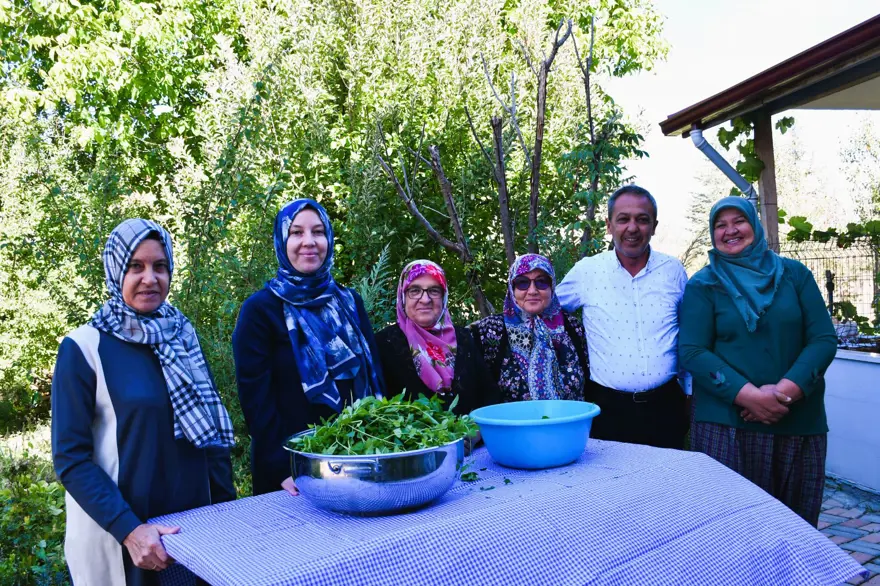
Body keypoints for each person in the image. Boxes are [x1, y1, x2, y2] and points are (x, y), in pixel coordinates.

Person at [51, 219, 236, 586]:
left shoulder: (181, 336)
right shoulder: (85, 347)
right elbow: (70, 458)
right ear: (115, 269)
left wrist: (226, 514)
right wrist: (130, 529)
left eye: (160, 266)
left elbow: (211, 440)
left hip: (194, 534)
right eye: (136, 266)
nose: (150, 278)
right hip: (126, 541)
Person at [679, 196, 837, 526]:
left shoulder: (794, 275)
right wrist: (749, 396)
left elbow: (822, 339)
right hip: (726, 425)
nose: (730, 230)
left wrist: (784, 393)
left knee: (797, 526)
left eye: (739, 221)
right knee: (731, 527)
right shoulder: (704, 285)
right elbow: (692, 351)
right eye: (720, 225)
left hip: (798, 420)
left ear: (755, 225)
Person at [233, 198, 384, 496]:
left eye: (318, 232)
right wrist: (281, 468)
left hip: (357, 456)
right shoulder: (260, 310)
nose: (309, 242)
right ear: (281, 240)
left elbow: (374, 371)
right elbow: (256, 402)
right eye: (297, 233)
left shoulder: (349, 301)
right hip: (292, 472)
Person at [557, 184, 689, 449]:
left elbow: (687, 331)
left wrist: (688, 392)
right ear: (609, 225)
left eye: (642, 219)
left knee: (668, 486)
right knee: (610, 487)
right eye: (623, 219)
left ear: (654, 226)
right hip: (606, 409)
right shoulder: (587, 272)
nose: (632, 228)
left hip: (666, 408)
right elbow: (548, 312)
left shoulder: (673, 270)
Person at [376, 260, 498, 416]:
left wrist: (477, 432)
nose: (425, 299)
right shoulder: (383, 344)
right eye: (414, 290)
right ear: (403, 296)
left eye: (434, 290)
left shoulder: (464, 339)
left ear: (444, 296)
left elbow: (489, 394)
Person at [470, 254, 590, 403]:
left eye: (541, 282)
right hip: (510, 425)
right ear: (512, 289)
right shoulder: (490, 332)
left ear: (552, 287)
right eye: (522, 283)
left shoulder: (573, 329)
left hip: (569, 424)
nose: (532, 290)